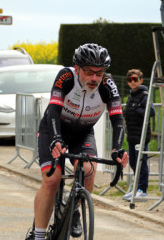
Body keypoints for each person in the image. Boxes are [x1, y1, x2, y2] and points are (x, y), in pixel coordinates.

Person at [26, 43, 129, 240]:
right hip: (54, 129)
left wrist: (117, 149)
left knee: (89, 172)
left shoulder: (108, 85)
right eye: (89, 72)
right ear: (77, 68)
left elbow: (117, 120)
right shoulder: (66, 77)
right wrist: (56, 139)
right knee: (52, 180)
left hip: (82, 133)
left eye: (99, 73)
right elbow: (54, 109)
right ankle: (38, 235)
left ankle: (74, 208)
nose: (94, 78)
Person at [123, 69, 156, 201]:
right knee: (133, 162)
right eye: (130, 80)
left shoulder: (144, 95)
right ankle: (136, 188)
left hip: (142, 136)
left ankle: (143, 190)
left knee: (141, 163)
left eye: (135, 79)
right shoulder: (131, 95)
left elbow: (151, 112)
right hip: (131, 135)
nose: (133, 82)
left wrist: (137, 110)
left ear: (141, 80)